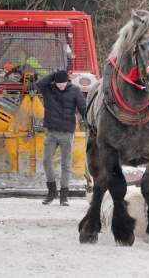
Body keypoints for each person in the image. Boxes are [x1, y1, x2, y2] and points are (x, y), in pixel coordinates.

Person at [36, 70, 86, 206]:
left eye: (62, 83)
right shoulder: (49, 89)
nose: (60, 86)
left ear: (67, 81)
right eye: (58, 83)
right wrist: (54, 75)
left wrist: (87, 122)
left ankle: (64, 196)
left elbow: (83, 108)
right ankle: (52, 192)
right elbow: (39, 84)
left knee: (66, 164)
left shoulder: (75, 90)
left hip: (67, 133)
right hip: (51, 133)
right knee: (46, 161)